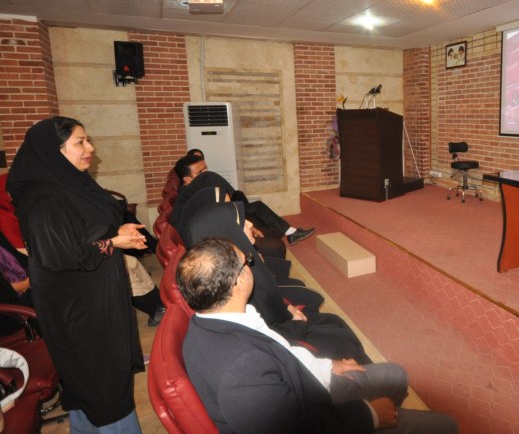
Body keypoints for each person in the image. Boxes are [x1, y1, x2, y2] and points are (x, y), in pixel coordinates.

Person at [178, 237, 459, 434]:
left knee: (396, 375)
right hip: (316, 409)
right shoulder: (241, 369)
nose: (252, 265)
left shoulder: (210, 321)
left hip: (308, 382)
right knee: (446, 426)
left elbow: (282, 352)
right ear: (239, 281)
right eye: (247, 261)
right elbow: (298, 428)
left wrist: (327, 366)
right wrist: (372, 415)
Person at [6, 116, 145, 431]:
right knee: (104, 384)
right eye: (80, 142)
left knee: (89, 387)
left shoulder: (70, 184)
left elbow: (86, 232)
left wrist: (117, 232)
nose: (90, 148)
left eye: (88, 140)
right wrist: (115, 242)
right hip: (78, 310)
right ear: (54, 151)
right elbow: (64, 256)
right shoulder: (43, 199)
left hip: (93, 299)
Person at [186, 202, 367, 362]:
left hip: (283, 321)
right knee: (341, 338)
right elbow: (265, 334)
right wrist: (296, 323)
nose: (250, 224)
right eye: (241, 222)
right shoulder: (234, 283)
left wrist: (288, 307)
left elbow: (270, 301)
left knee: (334, 321)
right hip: (284, 340)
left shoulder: (234, 266)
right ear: (228, 232)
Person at [173, 153, 315, 246]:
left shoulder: (195, 188)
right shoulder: (189, 197)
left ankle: (290, 232)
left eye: (206, 169)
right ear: (187, 179)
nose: (206, 173)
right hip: (218, 236)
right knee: (272, 233)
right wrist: (246, 226)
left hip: (228, 219)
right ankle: (287, 233)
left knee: (258, 207)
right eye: (201, 172)